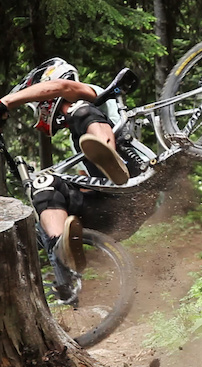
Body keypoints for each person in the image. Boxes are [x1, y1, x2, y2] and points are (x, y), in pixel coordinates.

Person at [0, 57, 134, 272]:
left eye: (39, 104)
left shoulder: (94, 97)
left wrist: (6, 102)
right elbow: (85, 186)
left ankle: (110, 156)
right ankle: (61, 252)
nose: (39, 110)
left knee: (79, 110)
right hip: (117, 213)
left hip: (134, 174)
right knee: (44, 185)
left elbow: (61, 87)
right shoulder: (80, 144)